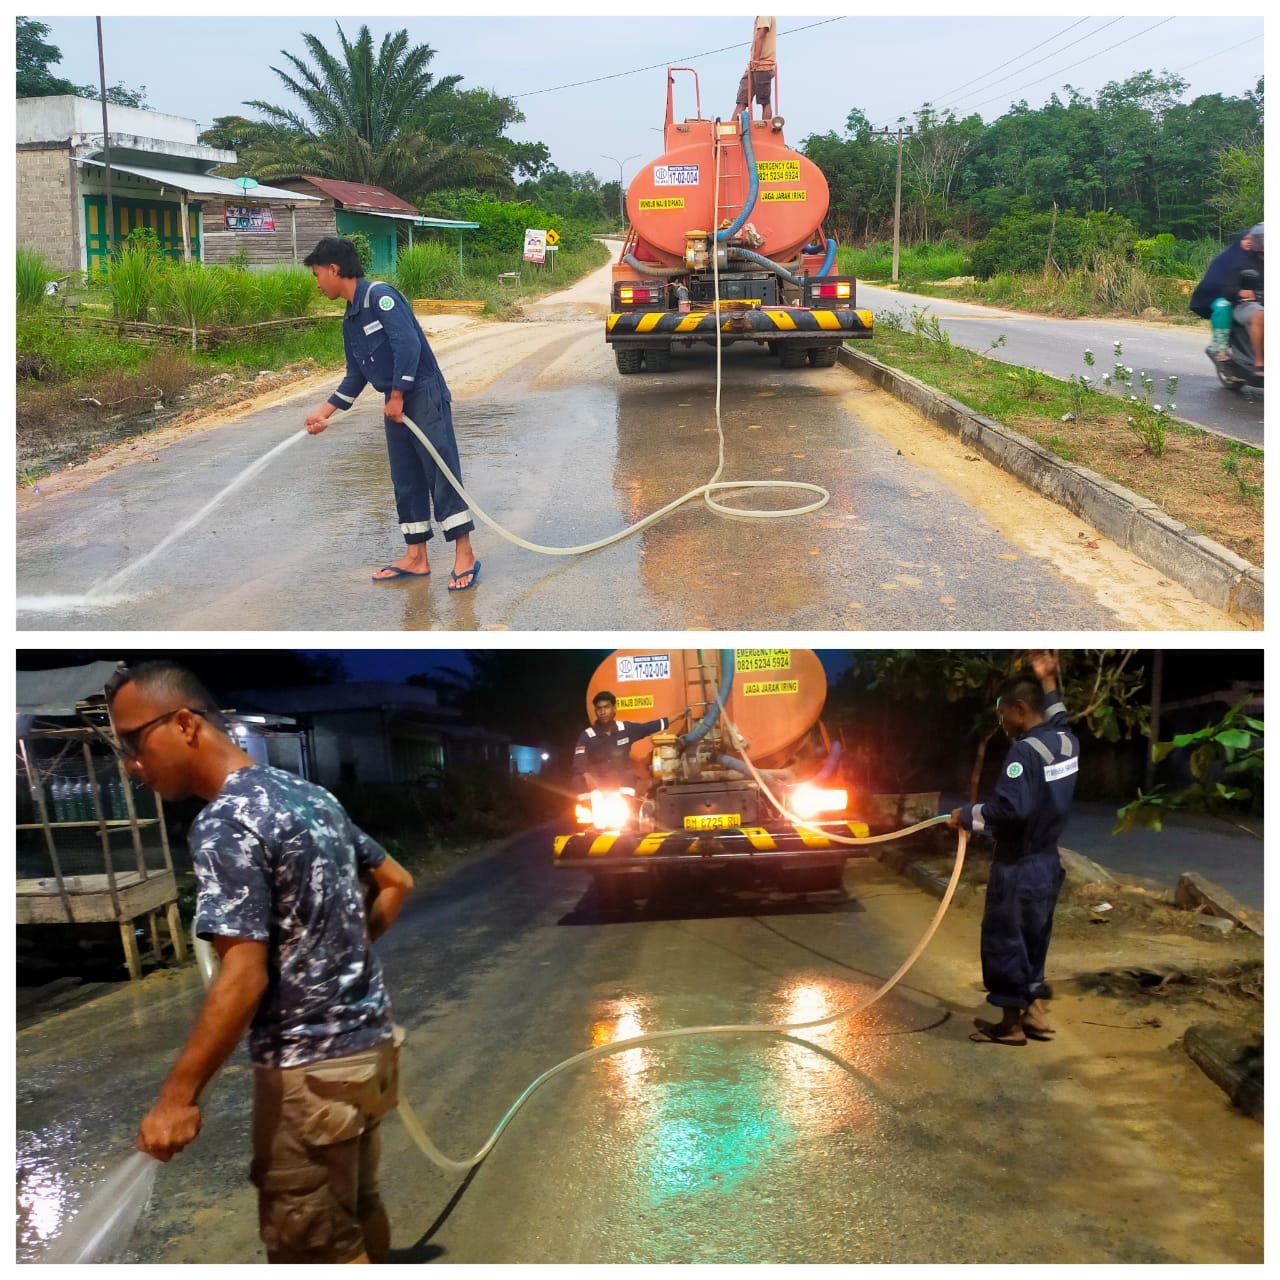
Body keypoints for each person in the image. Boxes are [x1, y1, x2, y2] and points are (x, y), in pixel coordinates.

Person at [109, 661, 415, 1263]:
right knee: (358, 1211)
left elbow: (243, 975)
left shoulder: (225, 823)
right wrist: (337, 960)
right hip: (369, 1055)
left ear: (185, 724)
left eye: (133, 742)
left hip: (308, 1077)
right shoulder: (310, 794)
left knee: (314, 1250)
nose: (131, 764)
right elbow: (396, 880)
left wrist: (177, 1097)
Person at [302, 237, 481, 589]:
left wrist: (398, 393)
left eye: (317, 274)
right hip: (394, 402)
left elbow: (408, 344)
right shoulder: (350, 321)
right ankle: (416, 557)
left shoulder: (380, 297)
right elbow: (355, 375)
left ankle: (465, 554)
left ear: (334, 270)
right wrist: (324, 412)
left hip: (422, 394)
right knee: (406, 478)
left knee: (440, 472)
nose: (318, 283)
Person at [948, 651, 1078, 1046]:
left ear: (1021, 709)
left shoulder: (1023, 752)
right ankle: (1034, 1011)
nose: (1002, 724)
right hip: (1047, 863)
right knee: (1035, 937)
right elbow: (1058, 714)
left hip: (1018, 865)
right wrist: (1050, 680)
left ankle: (1010, 1025)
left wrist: (967, 815)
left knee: (1006, 939)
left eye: (1004, 714)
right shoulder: (1065, 741)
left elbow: (1009, 810)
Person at [1190, 223, 1264, 375]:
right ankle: (1219, 347)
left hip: (1248, 298)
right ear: (1239, 241)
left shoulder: (1256, 258)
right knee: (1224, 306)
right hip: (1217, 295)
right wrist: (1240, 293)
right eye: (1245, 239)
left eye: (1252, 238)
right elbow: (1217, 283)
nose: (1249, 241)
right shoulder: (1229, 259)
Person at [573, 690, 675, 792]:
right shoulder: (587, 735)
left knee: (629, 775)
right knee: (577, 780)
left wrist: (678, 716)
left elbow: (649, 727)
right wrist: (586, 776)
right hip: (598, 783)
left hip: (622, 782)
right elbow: (579, 760)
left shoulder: (625, 729)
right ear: (595, 711)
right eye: (599, 708)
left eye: (606, 707)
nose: (603, 712)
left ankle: (628, 805)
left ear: (614, 708)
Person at [734, 16, 778, 123]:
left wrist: (756, 60)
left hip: (763, 65)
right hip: (753, 67)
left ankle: (765, 130)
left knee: (764, 101)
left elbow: (761, 34)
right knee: (742, 100)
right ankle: (731, 131)